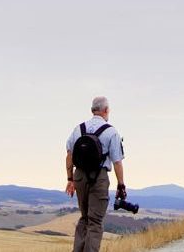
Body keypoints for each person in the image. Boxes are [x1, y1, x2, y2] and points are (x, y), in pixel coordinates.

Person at [65, 96, 125, 252]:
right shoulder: (111, 132)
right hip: (99, 177)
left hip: (79, 176)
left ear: (92, 110)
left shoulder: (78, 129)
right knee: (95, 221)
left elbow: (69, 155)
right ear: (106, 110)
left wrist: (70, 179)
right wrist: (121, 185)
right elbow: (117, 162)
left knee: (84, 218)